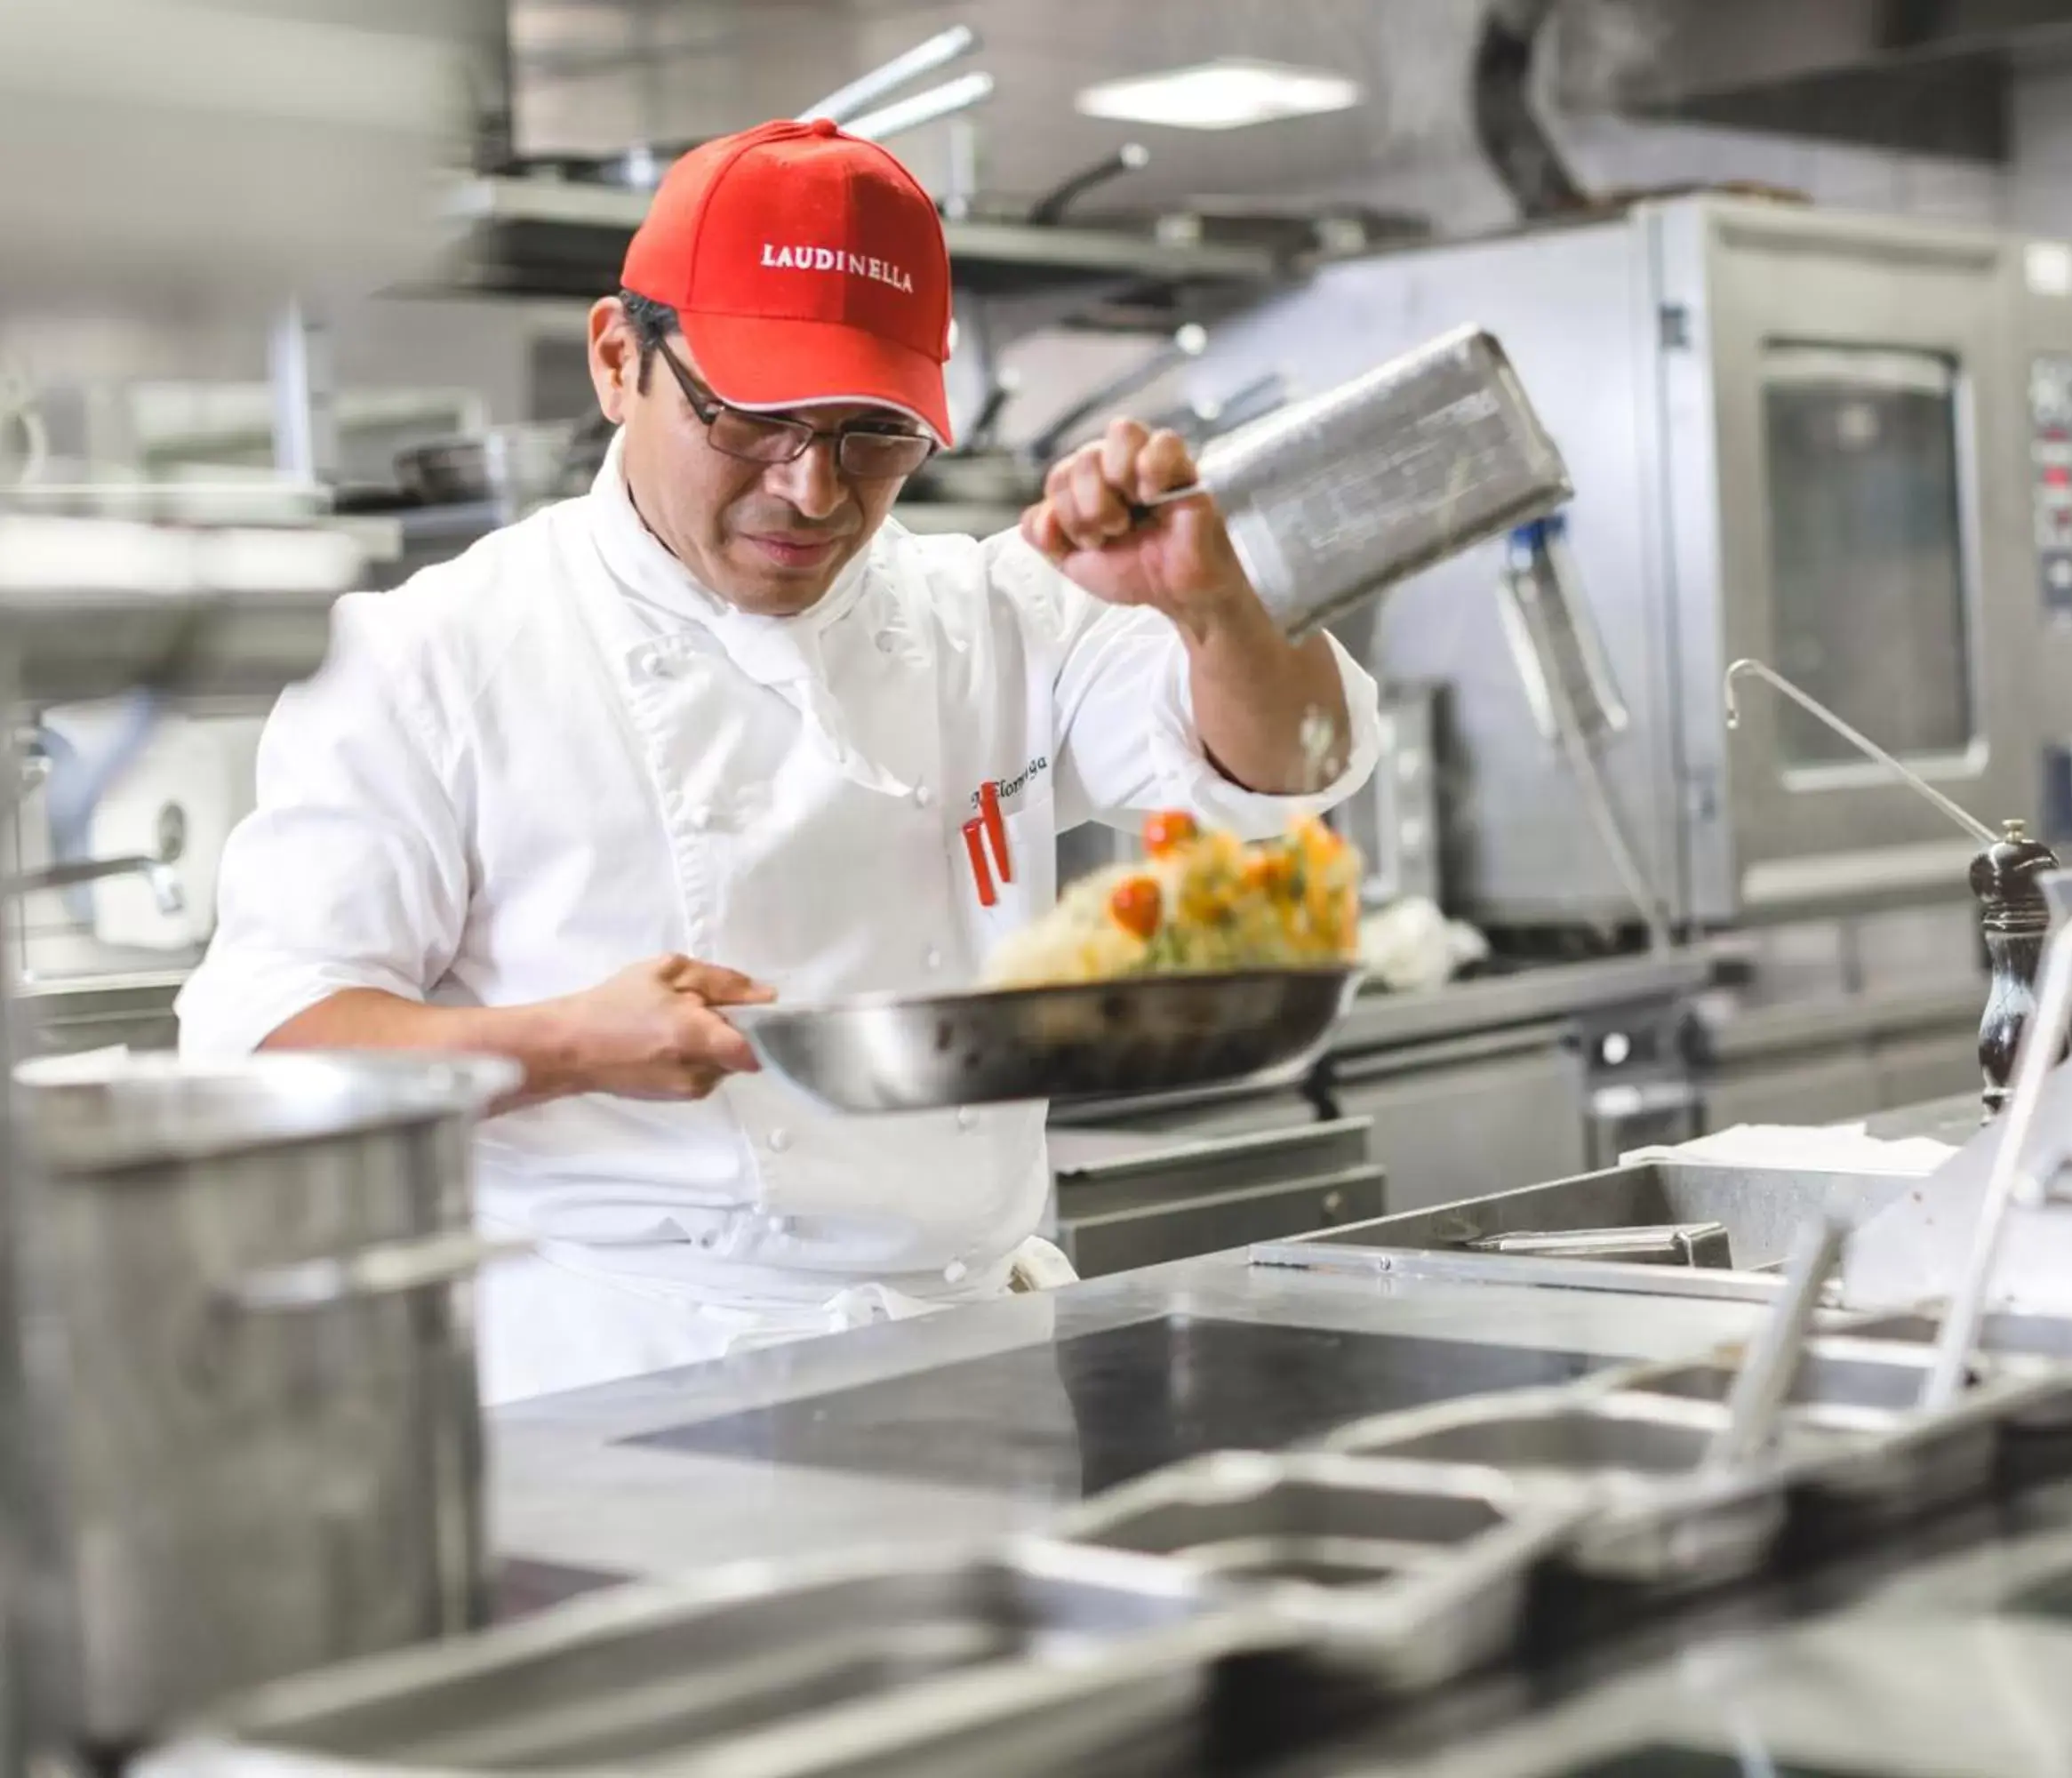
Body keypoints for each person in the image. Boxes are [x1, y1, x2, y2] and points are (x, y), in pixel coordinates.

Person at [175, 118, 1378, 1402]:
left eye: (874, 436)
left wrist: (1215, 609)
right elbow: (260, 1056)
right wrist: (568, 1042)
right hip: (621, 1389)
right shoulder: (432, 655)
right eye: (753, 421)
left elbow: (1288, 770)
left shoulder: (998, 609)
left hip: (970, 1364)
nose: (814, 492)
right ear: (616, 359)